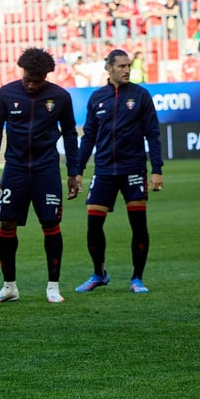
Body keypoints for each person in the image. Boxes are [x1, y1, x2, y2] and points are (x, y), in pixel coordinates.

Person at [0, 48, 81, 304]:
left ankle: (53, 286)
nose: (30, 84)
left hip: (46, 169)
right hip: (15, 169)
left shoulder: (60, 97)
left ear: (46, 76)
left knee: (50, 224)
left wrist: (74, 172)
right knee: (6, 223)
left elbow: (71, 134)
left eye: (36, 81)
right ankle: (9, 287)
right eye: (27, 78)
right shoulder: (6, 93)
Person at [71, 49, 164, 294]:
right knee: (93, 225)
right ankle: (99, 274)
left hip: (133, 168)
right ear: (109, 68)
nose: (126, 70)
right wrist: (78, 170)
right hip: (103, 170)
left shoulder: (140, 95)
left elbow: (152, 134)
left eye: (128, 66)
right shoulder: (96, 98)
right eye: (121, 66)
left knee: (139, 225)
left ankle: (137, 279)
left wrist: (156, 169)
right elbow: (88, 137)